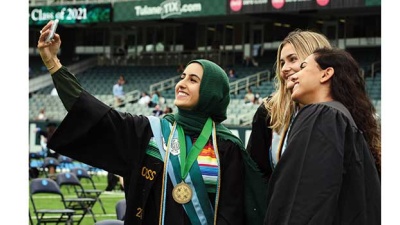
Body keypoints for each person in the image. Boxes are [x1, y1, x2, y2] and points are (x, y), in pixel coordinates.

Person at [37, 20, 266, 225]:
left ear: (211, 92)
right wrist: (53, 64)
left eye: (193, 80)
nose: (181, 83)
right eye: (182, 77)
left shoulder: (227, 147)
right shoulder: (151, 131)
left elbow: (232, 213)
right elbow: (95, 114)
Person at [264, 47, 381, 224]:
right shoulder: (339, 118)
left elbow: (303, 205)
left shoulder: (322, 116)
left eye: (303, 67)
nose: (293, 76)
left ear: (326, 74)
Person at [246, 29, 333, 180]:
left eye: (293, 59)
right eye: (281, 63)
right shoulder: (269, 111)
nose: (284, 68)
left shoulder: (342, 114)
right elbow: (255, 174)